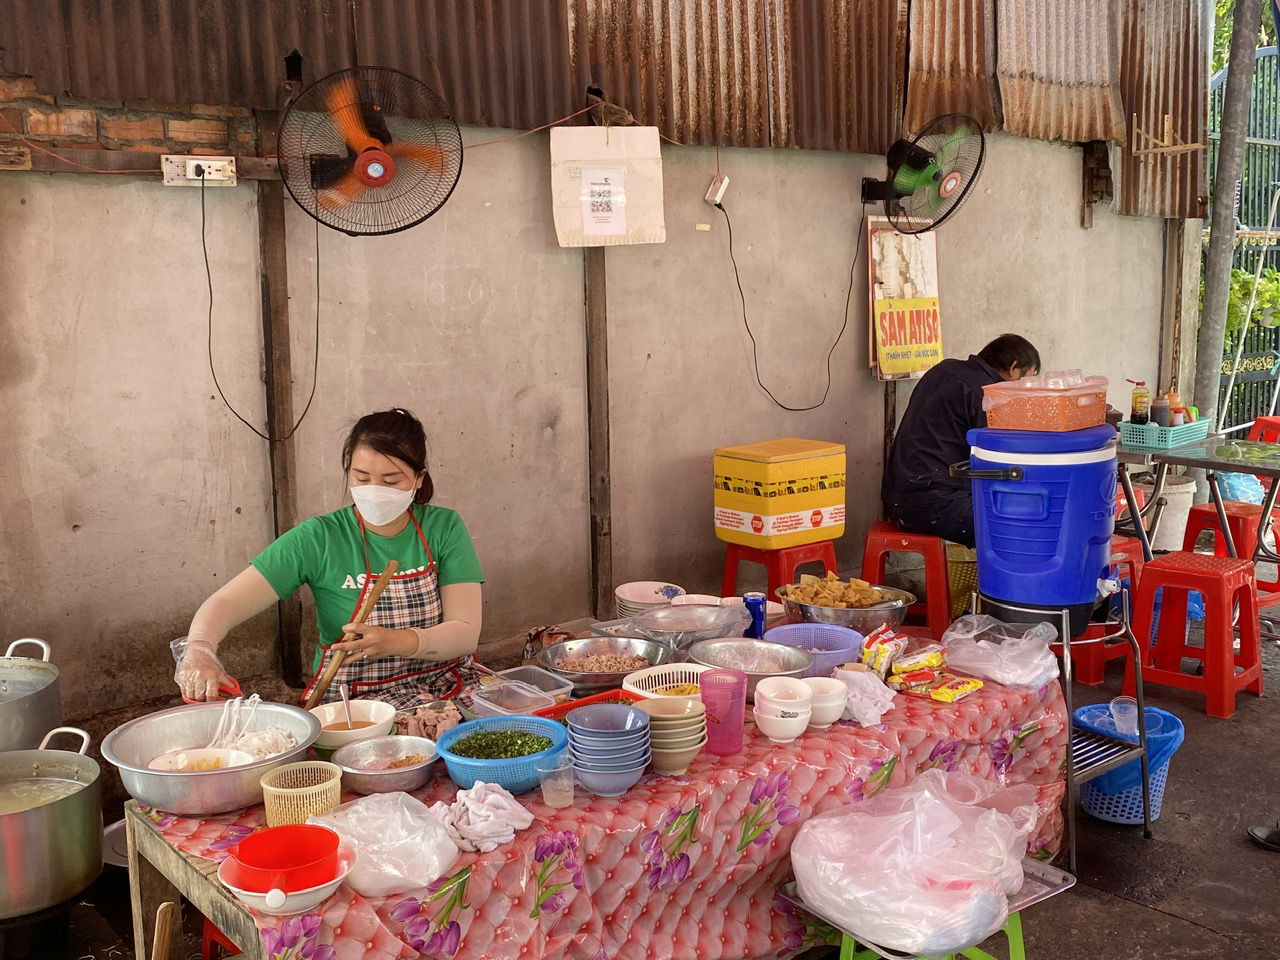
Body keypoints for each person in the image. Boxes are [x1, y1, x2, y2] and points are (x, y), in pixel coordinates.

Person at [175, 408, 485, 708]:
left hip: (444, 684)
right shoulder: (319, 538)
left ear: (419, 478)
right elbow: (225, 603)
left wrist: (395, 641)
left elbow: (465, 632)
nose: (375, 490)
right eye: (361, 478)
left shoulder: (443, 527)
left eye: (391, 481)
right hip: (354, 703)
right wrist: (200, 649)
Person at [881, 334, 1041, 548]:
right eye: (1028, 378)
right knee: (1022, 526)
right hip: (933, 505)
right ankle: (1003, 582)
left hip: (896, 500)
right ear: (1014, 367)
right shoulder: (987, 394)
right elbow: (997, 460)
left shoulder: (943, 370)